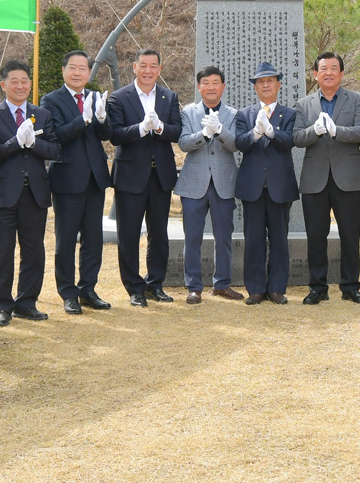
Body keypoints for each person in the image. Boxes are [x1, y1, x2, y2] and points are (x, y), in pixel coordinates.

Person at [0, 60, 62, 327]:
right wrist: (15, 143)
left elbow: (54, 150)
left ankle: (27, 303)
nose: (20, 86)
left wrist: (34, 143)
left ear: (30, 85)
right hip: (3, 193)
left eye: (24, 81)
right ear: (3, 85)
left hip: (35, 192)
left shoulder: (42, 114)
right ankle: (2, 305)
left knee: (34, 251)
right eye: (14, 81)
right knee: (1, 253)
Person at [107, 49, 184, 306]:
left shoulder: (169, 97)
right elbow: (114, 135)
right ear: (134, 67)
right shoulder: (119, 97)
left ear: (159, 69)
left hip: (160, 175)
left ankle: (155, 284)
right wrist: (140, 129)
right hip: (130, 175)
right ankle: (134, 288)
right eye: (143, 65)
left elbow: (177, 131)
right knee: (128, 234)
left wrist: (160, 127)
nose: (148, 70)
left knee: (159, 233)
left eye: (153, 66)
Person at [294, 51, 360, 304]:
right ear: (315, 74)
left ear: (341, 73)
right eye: (323, 69)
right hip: (315, 179)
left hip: (348, 178)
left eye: (334, 68)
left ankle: (350, 286)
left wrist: (337, 131)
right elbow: (297, 137)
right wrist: (314, 131)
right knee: (316, 235)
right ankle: (318, 287)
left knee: (350, 234)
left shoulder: (357, 100)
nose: (329, 73)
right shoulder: (303, 104)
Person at [42, 49, 112, 314]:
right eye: (73, 67)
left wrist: (101, 118)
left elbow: (105, 135)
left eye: (83, 68)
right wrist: (82, 119)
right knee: (66, 239)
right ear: (63, 70)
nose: (78, 72)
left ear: (89, 72)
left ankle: (88, 289)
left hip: (95, 178)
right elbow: (57, 135)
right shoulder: (51, 100)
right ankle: (68, 292)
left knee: (93, 238)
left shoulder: (95, 97)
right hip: (67, 178)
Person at [234, 63, 300, 304]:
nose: (265, 85)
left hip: (279, 184)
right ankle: (255, 289)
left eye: (270, 81)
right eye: (260, 82)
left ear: (278, 85)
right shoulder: (244, 114)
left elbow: (290, 141)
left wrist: (271, 132)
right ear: (255, 87)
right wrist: (255, 134)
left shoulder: (289, 114)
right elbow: (240, 143)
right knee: (253, 238)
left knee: (279, 238)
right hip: (252, 185)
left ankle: (276, 288)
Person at [179, 66, 241, 303]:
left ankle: (222, 284)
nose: (211, 87)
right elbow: (184, 143)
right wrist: (204, 134)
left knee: (223, 237)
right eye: (206, 83)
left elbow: (235, 145)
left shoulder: (233, 114)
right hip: (193, 182)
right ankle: (193, 287)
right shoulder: (188, 112)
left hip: (223, 182)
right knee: (192, 237)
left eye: (216, 82)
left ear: (223, 87)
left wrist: (220, 131)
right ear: (199, 87)